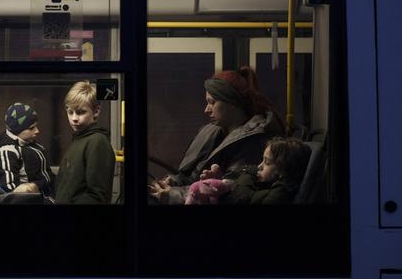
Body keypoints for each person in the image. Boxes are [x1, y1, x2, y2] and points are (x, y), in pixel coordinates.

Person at [148, 66, 284, 205]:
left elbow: (229, 192)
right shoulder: (214, 132)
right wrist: (173, 181)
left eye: (212, 102)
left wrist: (171, 194)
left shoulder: (253, 141)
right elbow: (192, 177)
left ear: (232, 103)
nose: (206, 109)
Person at [185, 137, 310, 205]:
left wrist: (246, 175)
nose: (259, 166)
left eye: (266, 162)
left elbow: (244, 198)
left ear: (283, 169)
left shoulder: (281, 193)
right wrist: (220, 179)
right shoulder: (266, 184)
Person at [55, 81, 115, 204]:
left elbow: (96, 196)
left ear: (96, 111)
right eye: (70, 112)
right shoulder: (79, 140)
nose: (74, 118)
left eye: (81, 112)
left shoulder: (97, 142)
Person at [0, 102, 55, 196]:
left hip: (51, 189)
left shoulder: (27, 142)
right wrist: (32, 187)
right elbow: (11, 193)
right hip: (40, 197)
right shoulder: (7, 151)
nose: (37, 131)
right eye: (31, 128)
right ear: (18, 130)